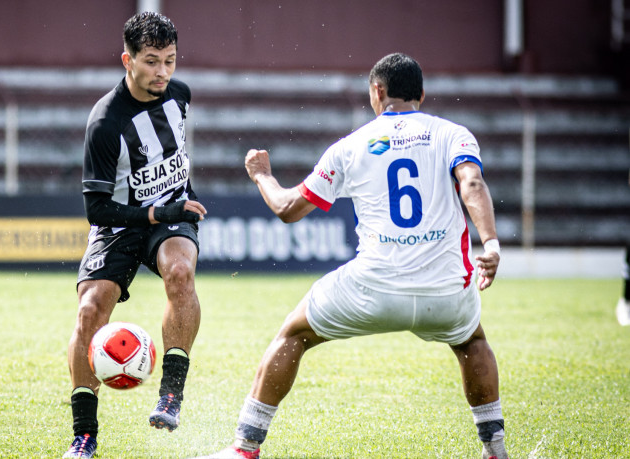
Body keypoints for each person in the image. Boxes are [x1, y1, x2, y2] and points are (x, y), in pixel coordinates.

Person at [198, 53, 508, 459]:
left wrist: (262, 175)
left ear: (377, 92)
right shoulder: (454, 134)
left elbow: (288, 209)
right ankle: (496, 449)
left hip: (372, 287)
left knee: (294, 334)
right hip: (445, 289)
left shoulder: (350, 145)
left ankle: (245, 447)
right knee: (473, 342)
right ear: (421, 95)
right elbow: (472, 181)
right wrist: (491, 242)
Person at [63, 11, 207, 459]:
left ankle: (170, 394)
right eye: (151, 61)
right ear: (127, 60)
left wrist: (175, 206)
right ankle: (84, 435)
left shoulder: (180, 96)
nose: (162, 72)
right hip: (120, 222)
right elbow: (96, 209)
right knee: (90, 310)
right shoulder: (105, 123)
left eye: (170, 60)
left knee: (180, 271)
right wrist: (156, 211)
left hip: (171, 213)